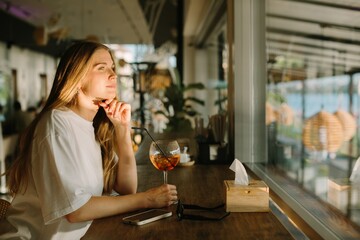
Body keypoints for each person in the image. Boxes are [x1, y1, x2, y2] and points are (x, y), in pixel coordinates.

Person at [0, 41, 178, 239]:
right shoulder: (56, 122)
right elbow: (76, 211)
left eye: (112, 67)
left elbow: (127, 188)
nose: (114, 75)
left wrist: (122, 129)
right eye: (101, 68)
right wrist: (147, 200)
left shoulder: (93, 126)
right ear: (76, 78)